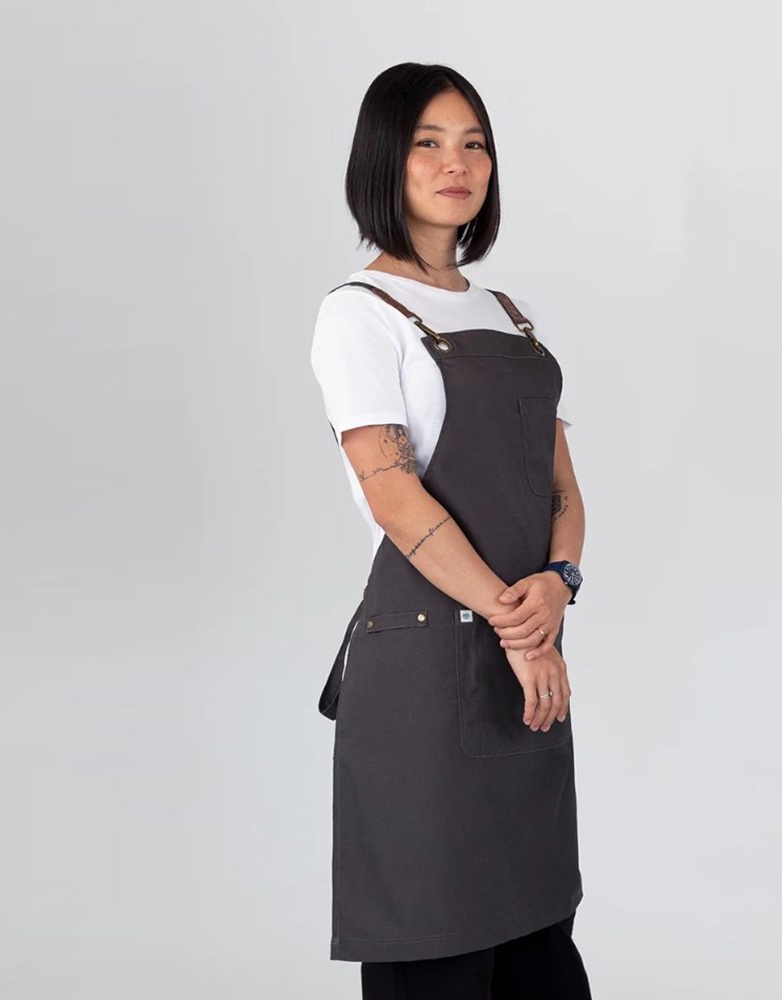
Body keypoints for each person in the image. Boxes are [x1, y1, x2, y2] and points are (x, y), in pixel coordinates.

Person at [309, 62, 592, 999]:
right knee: (431, 945)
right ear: (384, 161)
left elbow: (561, 488)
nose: (455, 163)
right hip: (427, 672)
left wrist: (559, 583)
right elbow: (393, 494)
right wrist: (522, 625)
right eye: (427, 143)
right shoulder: (359, 315)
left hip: (523, 661)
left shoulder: (512, 316)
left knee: (538, 941)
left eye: (473, 144)